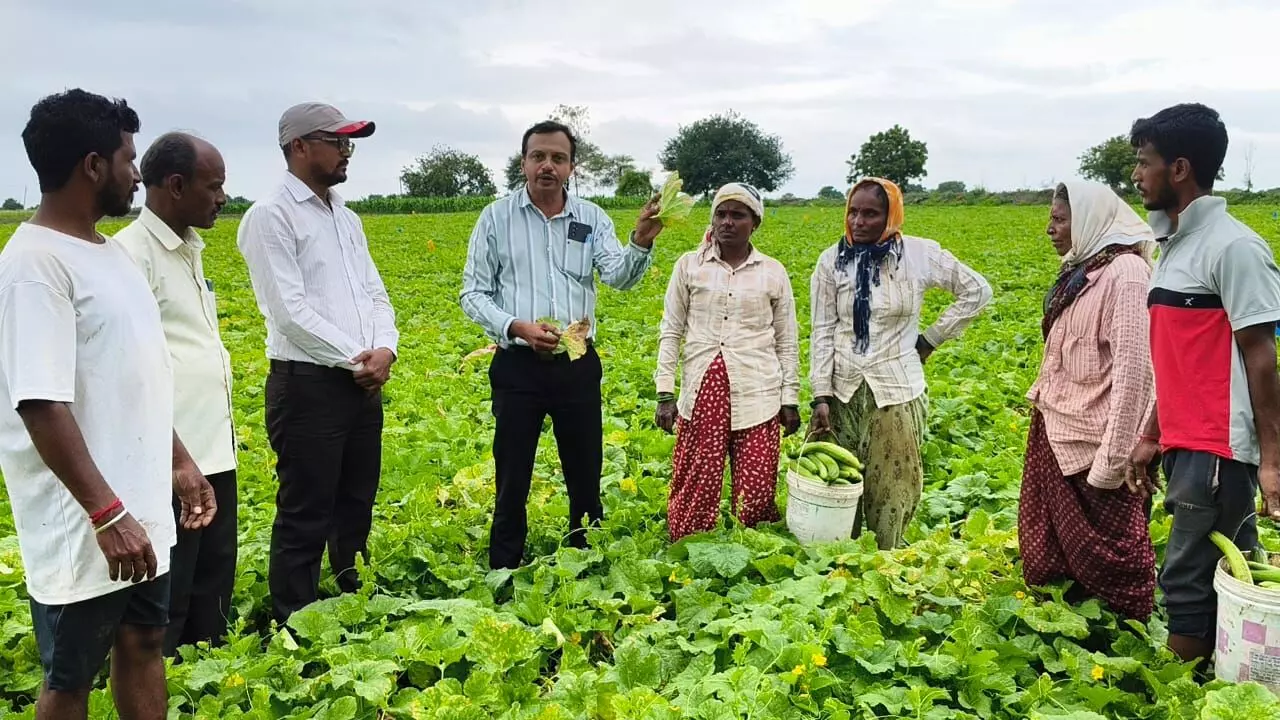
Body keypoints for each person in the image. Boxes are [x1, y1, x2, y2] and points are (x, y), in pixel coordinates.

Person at [0, 89, 215, 720]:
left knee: (145, 641)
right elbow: (41, 404)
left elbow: (136, 377)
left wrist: (178, 461)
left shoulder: (107, 253)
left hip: (137, 505)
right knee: (72, 673)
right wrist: (105, 513)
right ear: (92, 166)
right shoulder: (34, 266)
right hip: (87, 522)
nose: (136, 173)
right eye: (127, 159)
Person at [460, 120, 665, 570]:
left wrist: (640, 243)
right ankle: (505, 563)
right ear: (524, 163)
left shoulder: (591, 218)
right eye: (538, 157)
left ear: (572, 167)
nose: (547, 166)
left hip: (576, 363)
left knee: (585, 466)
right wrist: (516, 327)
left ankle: (584, 555)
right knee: (512, 470)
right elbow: (472, 294)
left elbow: (618, 276)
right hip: (517, 366)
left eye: (558, 158)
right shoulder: (495, 218)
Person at [1124, 103, 1280, 664]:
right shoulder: (1174, 247)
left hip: (1217, 449)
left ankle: (1177, 692)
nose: (1137, 175)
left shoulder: (1233, 248)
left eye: (1145, 163)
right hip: (1186, 442)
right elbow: (1182, 361)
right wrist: (1151, 433)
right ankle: (1238, 680)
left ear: (1181, 168)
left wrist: (1271, 462)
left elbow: (1262, 359)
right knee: (1225, 572)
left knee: (1186, 580)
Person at [236, 102, 397, 623]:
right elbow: (288, 312)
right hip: (307, 386)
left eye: (350, 143)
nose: (347, 152)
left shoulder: (346, 217)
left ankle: (354, 593)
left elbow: (375, 293)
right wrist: (359, 358)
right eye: (338, 142)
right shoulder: (271, 217)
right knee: (306, 509)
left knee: (356, 498)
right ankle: (294, 614)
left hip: (359, 382)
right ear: (299, 146)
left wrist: (386, 348)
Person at [808, 177, 992, 550]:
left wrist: (930, 339)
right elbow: (822, 330)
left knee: (894, 484)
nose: (859, 222)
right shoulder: (832, 262)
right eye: (853, 212)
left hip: (895, 387)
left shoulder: (919, 255)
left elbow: (977, 291)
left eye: (871, 214)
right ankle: (839, 559)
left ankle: (885, 559)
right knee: (837, 484)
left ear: (891, 215)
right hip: (843, 388)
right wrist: (820, 395)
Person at [115, 132, 238, 655]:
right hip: (171, 461)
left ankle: (206, 690)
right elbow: (128, 373)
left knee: (212, 588)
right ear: (176, 185)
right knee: (171, 598)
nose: (222, 197)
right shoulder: (130, 257)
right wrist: (176, 461)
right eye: (214, 186)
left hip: (216, 451)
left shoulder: (190, 248)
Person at [1017, 181, 1158, 620]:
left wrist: (1113, 462)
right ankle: (1067, 626)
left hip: (1094, 442)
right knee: (1052, 542)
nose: (1050, 230)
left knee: (1113, 554)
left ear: (1090, 221)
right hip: (1058, 428)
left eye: (1060, 220)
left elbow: (1136, 373)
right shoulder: (1083, 270)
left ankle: (1124, 635)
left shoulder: (1126, 275)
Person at [654, 183, 800, 541]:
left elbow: (787, 339)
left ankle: (753, 545)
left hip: (759, 391)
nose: (727, 222)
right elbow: (671, 330)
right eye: (721, 214)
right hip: (702, 390)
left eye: (738, 215)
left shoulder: (772, 272)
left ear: (755, 223)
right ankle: (689, 543)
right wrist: (664, 392)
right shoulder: (690, 266)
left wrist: (790, 398)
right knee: (697, 477)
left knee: (756, 483)